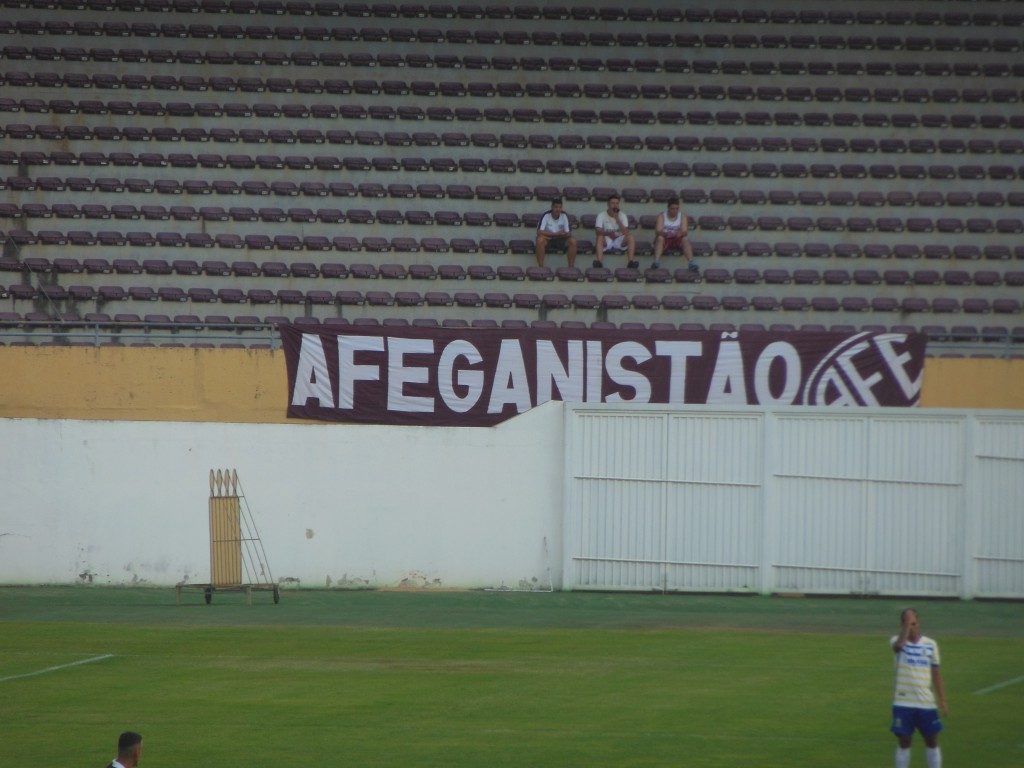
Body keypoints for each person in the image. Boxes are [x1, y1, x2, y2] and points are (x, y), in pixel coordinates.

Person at [891, 608, 947, 768]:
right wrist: (907, 626)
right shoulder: (897, 641)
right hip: (903, 702)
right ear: (902, 625)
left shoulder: (931, 645)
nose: (912, 626)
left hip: (926, 703)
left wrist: (942, 700)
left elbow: (936, 674)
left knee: (931, 740)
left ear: (919, 622)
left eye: (914, 623)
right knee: (904, 741)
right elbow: (898, 646)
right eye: (907, 623)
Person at [652, 197, 696, 272]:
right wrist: (666, 234)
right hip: (665, 239)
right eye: (672, 208)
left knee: (685, 239)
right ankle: (656, 262)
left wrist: (680, 233)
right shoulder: (662, 216)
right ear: (668, 208)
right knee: (660, 238)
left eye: (676, 208)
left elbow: (685, 232)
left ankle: (691, 262)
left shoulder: (682, 216)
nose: (675, 211)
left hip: (676, 239)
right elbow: (658, 231)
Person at [593, 194, 637, 269]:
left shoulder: (622, 215)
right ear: (608, 204)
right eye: (612, 203)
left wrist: (617, 219)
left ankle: (631, 262)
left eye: (617, 203)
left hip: (619, 240)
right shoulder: (601, 215)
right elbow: (598, 231)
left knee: (631, 237)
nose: (615, 205)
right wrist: (609, 233)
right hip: (607, 239)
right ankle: (599, 262)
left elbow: (626, 232)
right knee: (599, 237)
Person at [534, 198, 577, 268]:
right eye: (556, 207)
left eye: (560, 207)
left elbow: (569, 233)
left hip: (560, 239)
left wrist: (560, 235)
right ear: (552, 207)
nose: (558, 209)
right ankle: (540, 267)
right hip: (548, 240)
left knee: (573, 241)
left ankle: (571, 267)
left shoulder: (564, 215)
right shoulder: (546, 215)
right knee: (539, 240)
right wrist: (556, 234)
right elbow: (539, 232)